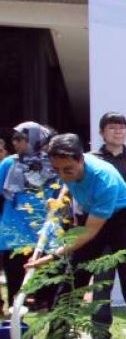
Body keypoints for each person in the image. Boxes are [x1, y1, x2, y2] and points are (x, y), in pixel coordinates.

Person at [25, 133, 126, 339]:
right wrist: (60, 201)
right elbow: (68, 187)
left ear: (81, 160)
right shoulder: (68, 168)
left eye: (67, 170)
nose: (62, 175)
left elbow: (89, 233)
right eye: (57, 170)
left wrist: (52, 256)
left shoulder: (104, 178)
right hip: (93, 217)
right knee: (71, 282)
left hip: (123, 220)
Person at [88, 111, 126, 339]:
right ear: (102, 132)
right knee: (102, 283)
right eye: (112, 127)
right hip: (101, 228)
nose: (118, 131)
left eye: (122, 127)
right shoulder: (92, 159)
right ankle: (100, 332)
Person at [0, 122, 59, 313]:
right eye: (14, 139)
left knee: (48, 282)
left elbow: (61, 194)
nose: (16, 143)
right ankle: (15, 319)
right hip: (15, 230)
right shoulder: (9, 164)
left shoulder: (53, 164)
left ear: (36, 139)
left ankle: (48, 313)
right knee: (16, 283)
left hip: (45, 229)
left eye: (21, 139)